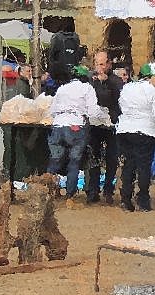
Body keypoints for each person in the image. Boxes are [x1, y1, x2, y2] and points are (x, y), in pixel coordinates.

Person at [117, 62, 155, 211]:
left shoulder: (127, 88)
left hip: (124, 130)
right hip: (145, 131)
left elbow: (121, 105)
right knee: (144, 166)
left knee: (128, 165)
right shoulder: (154, 92)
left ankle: (126, 200)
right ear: (150, 77)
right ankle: (143, 200)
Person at [47, 65, 102, 200]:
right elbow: (93, 112)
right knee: (74, 161)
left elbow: (52, 110)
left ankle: (47, 191)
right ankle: (70, 194)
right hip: (75, 125)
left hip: (58, 125)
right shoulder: (87, 88)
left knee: (55, 160)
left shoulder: (62, 88)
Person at [88, 51, 123, 204]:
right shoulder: (90, 80)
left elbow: (117, 97)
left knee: (112, 158)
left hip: (112, 124)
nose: (100, 67)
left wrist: (106, 81)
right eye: (97, 64)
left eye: (103, 64)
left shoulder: (116, 80)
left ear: (109, 64)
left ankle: (108, 189)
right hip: (94, 124)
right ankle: (93, 190)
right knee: (93, 157)